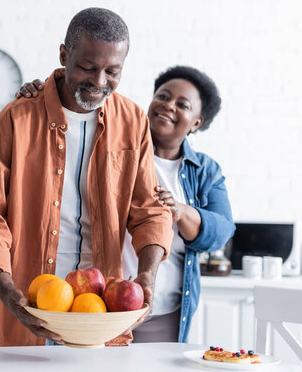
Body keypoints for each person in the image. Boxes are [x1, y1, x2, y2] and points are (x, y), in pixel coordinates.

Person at [0, 7, 173, 347]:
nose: (99, 82)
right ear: (64, 54)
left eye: (113, 71)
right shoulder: (16, 119)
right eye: (87, 67)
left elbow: (148, 209)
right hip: (29, 304)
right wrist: (5, 289)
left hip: (103, 312)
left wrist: (148, 274)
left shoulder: (133, 121)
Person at [16, 65, 236, 343]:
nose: (168, 106)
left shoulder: (205, 170)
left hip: (166, 309)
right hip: (102, 305)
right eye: (163, 96)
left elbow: (222, 232)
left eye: (182, 104)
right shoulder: (114, 144)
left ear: (196, 122)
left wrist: (182, 212)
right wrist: (44, 95)